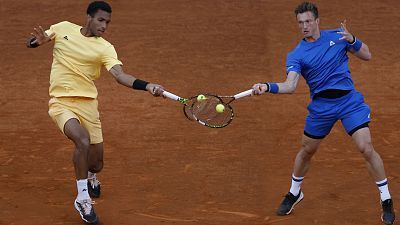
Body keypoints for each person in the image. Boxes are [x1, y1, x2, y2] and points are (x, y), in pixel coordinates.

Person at [251, 2, 395, 224]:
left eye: (308, 21)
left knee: (365, 147)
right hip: (321, 107)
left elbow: (367, 55)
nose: (305, 26)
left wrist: (352, 39)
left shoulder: (339, 37)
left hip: (349, 102)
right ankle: (295, 192)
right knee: (307, 150)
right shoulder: (296, 54)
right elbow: (290, 86)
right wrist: (267, 86)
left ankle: (386, 198)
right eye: (300, 23)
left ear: (317, 21)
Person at [26, 1, 164, 224]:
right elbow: (35, 40)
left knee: (96, 163)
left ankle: (91, 176)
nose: (104, 26)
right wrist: (35, 43)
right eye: (101, 20)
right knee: (82, 140)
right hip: (61, 102)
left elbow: (120, 76)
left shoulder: (105, 48)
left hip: (88, 105)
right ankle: (82, 199)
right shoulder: (63, 28)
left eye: (107, 23)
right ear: (88, 17)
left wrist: (147, 85)